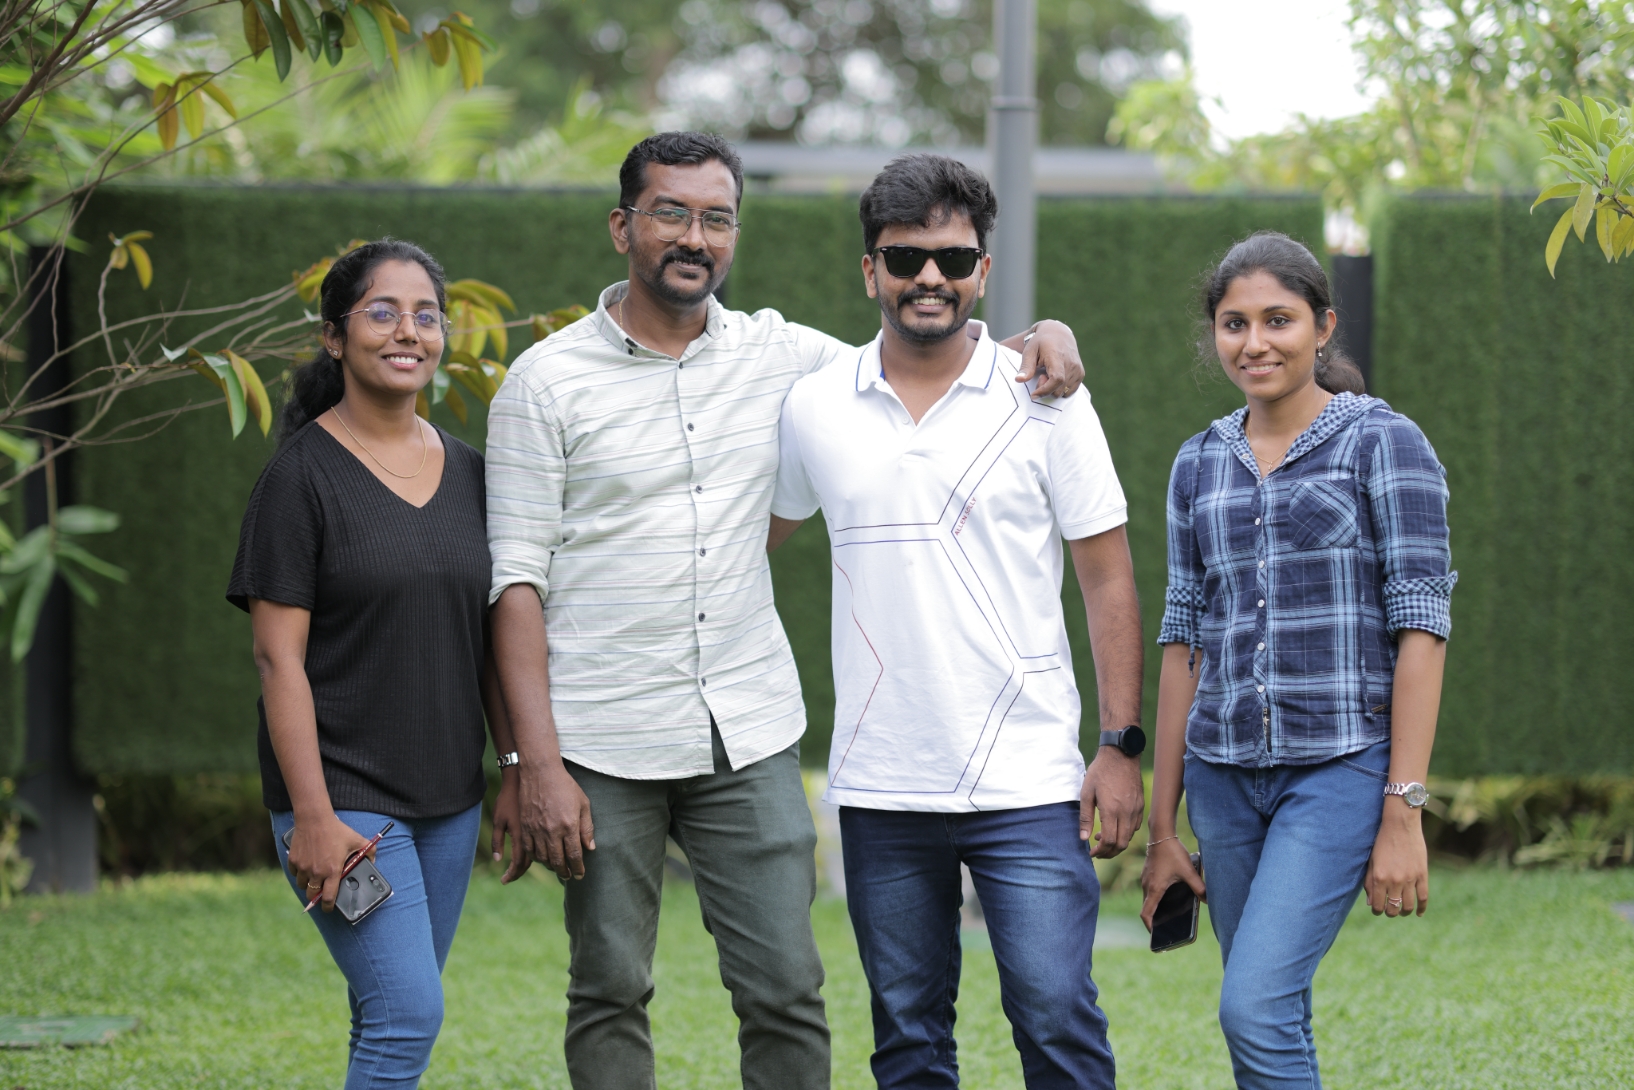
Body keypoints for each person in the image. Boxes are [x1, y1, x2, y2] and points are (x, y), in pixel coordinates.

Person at [484, 132, 1087, 1090]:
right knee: (608, 987)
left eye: (717, 218)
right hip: (601, 734)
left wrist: (1041, 334)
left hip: (747, 728)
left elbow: (926, 343)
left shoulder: (789, 358)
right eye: (671, 213)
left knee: (786, 991)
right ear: (622, 226)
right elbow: (514, 582)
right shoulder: (543, 383)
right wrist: (532, 763)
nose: (695, 236)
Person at [767, 153, 1143, 1090]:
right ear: (870, 271)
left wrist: (1118, 746)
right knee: (908, 1042)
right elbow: (748, 544)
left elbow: (1107, 579)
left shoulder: (1048, 396)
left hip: (1029, 778)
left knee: (1057, 1020)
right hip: (880, 782)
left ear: (983, 269)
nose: (928, 277)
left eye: (953, 258)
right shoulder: (815, 405)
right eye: (904, 258)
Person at [1140, 231, 1455, 1089]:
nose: (1256, 342)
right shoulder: (1198, 463)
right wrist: (1164, 830)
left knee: (1253, 1007)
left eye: (1278, 320)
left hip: (1339, 770)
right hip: (1222, 778)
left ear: (1324, 326)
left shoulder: (1384, 443)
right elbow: (1182, 641)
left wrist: (1404, 811)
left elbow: (1422, 629)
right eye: (1235, 323)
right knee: (1274, 1012)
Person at [228, 239, 523, 1089]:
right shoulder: (298, 481)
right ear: (334, 336)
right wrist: (313, 818)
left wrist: (510, 768)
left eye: (426, 315)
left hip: (449, 801)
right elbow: (277, 662)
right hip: (347, 804)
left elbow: (489, 640)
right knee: (408, 1014)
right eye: (382, 312)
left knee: (384, 1011)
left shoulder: (470, 473)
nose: (408, 332)